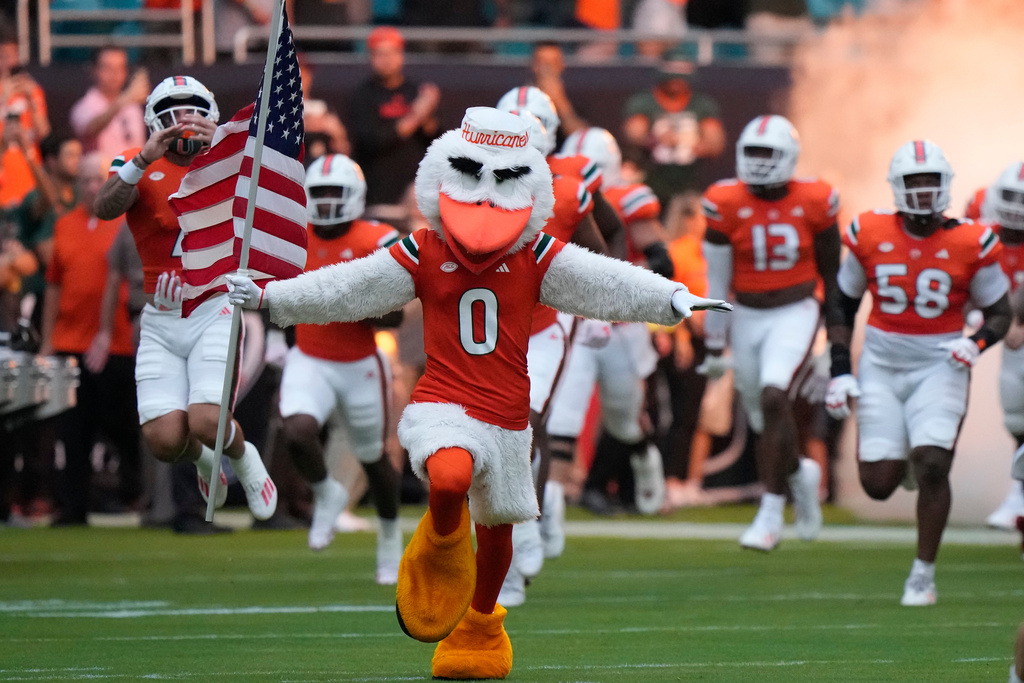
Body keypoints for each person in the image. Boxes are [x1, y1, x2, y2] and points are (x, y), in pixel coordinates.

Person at [225, 107, 729, 680]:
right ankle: (439, 547)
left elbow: (602, 280)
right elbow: (350, 286)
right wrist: (273, 299)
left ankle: (481, 627)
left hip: (509, 411)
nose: (486, 200)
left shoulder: (536, 254)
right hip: (444, 398)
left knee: (497, 532)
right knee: (449, 478)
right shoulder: (424, 249)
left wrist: (670, 300)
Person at [825, 139, 1011, 605]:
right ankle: (907, 455)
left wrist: (976, 344)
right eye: (914, 181)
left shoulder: (971, 239)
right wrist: (840, 370)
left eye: (932, 181)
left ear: (947, 185)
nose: (924, 191)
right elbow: (843, 303)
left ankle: (922, 574)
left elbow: (1000, 313)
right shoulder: (867, 231)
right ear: (897, 187)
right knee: (878, 484)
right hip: (883, 362)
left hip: (940, 361)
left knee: (933, 463)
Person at [93, 75, 277, 523]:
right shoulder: (136, 165)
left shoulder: (231, 164)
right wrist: (142, 159)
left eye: (194, 110)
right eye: (175, 112)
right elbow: (104, 207)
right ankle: (205, 461)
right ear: (156, 120)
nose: (186, 121)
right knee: (164, 440)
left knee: (207, 421)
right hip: (160, 315)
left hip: (213, 306)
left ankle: (244, 457)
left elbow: (271, 192)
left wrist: (235, 148)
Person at [697, 115, 837, 551]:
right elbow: (717, 281)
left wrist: (835, 342)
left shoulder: (816, 198)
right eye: (753, 152)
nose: (759, 163)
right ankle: (799, 475)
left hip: (795, 309)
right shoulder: (723, 200)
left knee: (776, 396)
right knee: (763, 418)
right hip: (747, 314)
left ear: (790, 158)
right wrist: (715, 343)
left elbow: (834, 276)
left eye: (768, 154)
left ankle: (771, 509)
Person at [279, 153, 404, 582]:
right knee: (296, 430)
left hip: (360, 362)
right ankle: (325, 491)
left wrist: (354, 299)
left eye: (336, 193)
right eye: (320, 194)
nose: (327, 203)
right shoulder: (293, 237)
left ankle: (389, 535)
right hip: (310, 355)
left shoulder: (378, 238)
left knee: (373, 457)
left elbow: (396, 315)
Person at [547, 126, 673, 520]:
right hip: (574, 323)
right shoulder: (552, 197)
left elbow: (662, 261)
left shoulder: (626, 199)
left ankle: (641, 453)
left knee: (624, 416)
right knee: (563, 417)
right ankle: (549, 501)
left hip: (622, 326)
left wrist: (622, 282)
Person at [38, 152, 141, 525]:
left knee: (123, 423)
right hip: (70, 342)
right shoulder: (65, 224)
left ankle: (137, 493)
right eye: (85, 180)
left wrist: (109, 333)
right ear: (76, 185)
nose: (92, 187)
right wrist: (48, 340)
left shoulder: (126, 223)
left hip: (117, 343)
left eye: (98, 179)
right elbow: (52, 284)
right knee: (73, 430)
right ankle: (73, 508)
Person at [964, 162, 1024, 530]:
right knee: (1016, 411)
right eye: (1011, 197)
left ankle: (1018, 494)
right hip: (1000, 315)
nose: (1016, 207)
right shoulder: (979, 219)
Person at [347, 26, 440, 232]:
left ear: (401, 55)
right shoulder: (363, 95)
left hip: (416, 197)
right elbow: (371, 141)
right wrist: (415, 116)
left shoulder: (416, 90)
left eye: (391, 53)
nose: (386, 59)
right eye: (379, 54)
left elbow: (436, 138)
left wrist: (426, 118)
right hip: (379, 199)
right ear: (371, 58)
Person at [621, 61, 725, 223]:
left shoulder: (701, 104)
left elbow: (716, 142)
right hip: (651, 183)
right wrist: (655, 138)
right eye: (673, 78)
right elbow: (634, 133)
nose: (677, 83)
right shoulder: (645, 101)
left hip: (688, 185)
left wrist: (694, 144)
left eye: (681, 78)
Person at [70, 46, 149, 160]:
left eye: (120, 68)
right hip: (103, 176)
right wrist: (123, 101)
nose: (114, 74)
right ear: (93, 70)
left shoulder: (133, 107)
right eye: (107, 68)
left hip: (134, 174)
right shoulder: (84, 106)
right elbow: (90, 130)